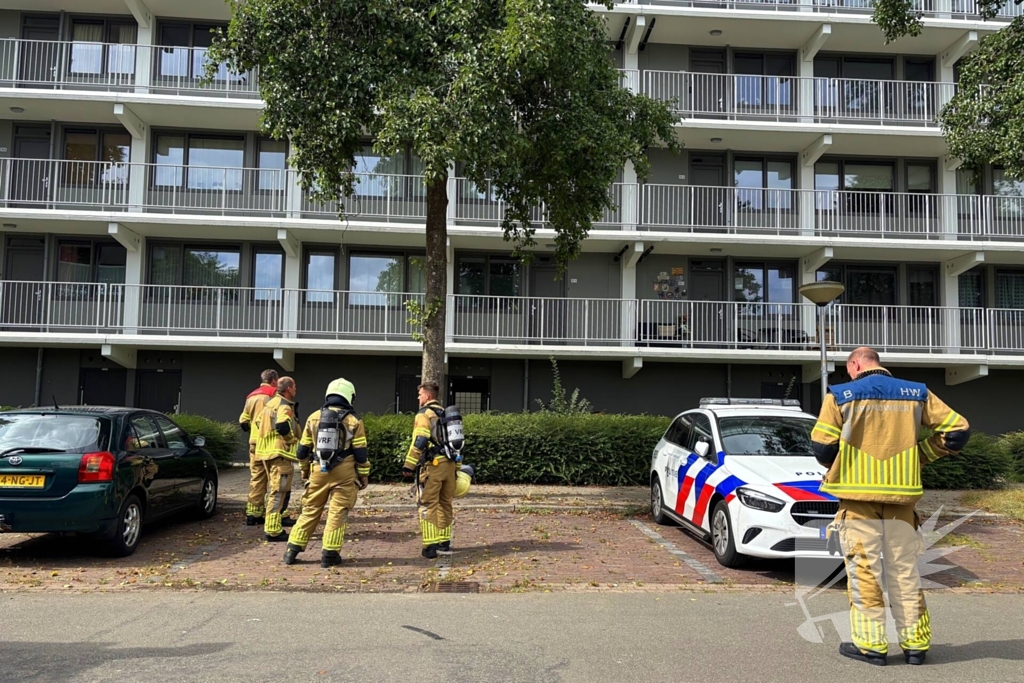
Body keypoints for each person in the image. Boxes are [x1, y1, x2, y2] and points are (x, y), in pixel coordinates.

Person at [812, 347, 970, 667]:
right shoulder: (917, 393)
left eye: (850, 369)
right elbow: (957, 433)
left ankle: (872, 646)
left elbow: (822, 446)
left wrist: (845, 463)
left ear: (855, 365)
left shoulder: (840, 394)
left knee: (865, 573)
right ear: (878, 363)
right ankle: (915, 646)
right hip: (902, 502)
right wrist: (921, 454)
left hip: (857, 501)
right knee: (905, 573)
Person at [283, 378, 370, 568]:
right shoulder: (354, 421)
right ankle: (330, 554)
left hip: (317, 471)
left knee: (311, 509)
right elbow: (361, 453)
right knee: (338, 512)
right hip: (344, 474)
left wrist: (305, 471)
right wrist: (364, 475)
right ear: (349, 396)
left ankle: (292, 549)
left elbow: (302, 451)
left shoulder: (314, 417)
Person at [402, 381, 457, 559]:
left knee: (427, 503)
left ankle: (430, 546)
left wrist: (409, 464)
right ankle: (444, 541)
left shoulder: (424, 414)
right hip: (449, 464)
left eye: (419, 395)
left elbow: (421, 439)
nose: (418, 398)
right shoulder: (445, 414)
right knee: (445, 503)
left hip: (433, 466)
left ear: (427, 396)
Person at [253, 376, 301, 542]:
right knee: (278, 491)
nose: (296, 390)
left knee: (273, 490)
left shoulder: (270, 404)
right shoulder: (284, 406)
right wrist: (290, 440)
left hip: (266, 453)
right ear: (288, 389)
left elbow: (258, 423)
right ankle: (273, 529)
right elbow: (282, 426)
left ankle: (273, 524)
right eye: (294, 387)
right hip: (279, 455)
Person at [238, 369, 279, 526]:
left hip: (254, 442)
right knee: (276, 480)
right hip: (270, 443)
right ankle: (276, 515)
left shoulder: (251, 396)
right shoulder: (275, 394)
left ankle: (253, 514)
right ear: (274, 380)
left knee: (257, 478)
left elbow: (243, 421)